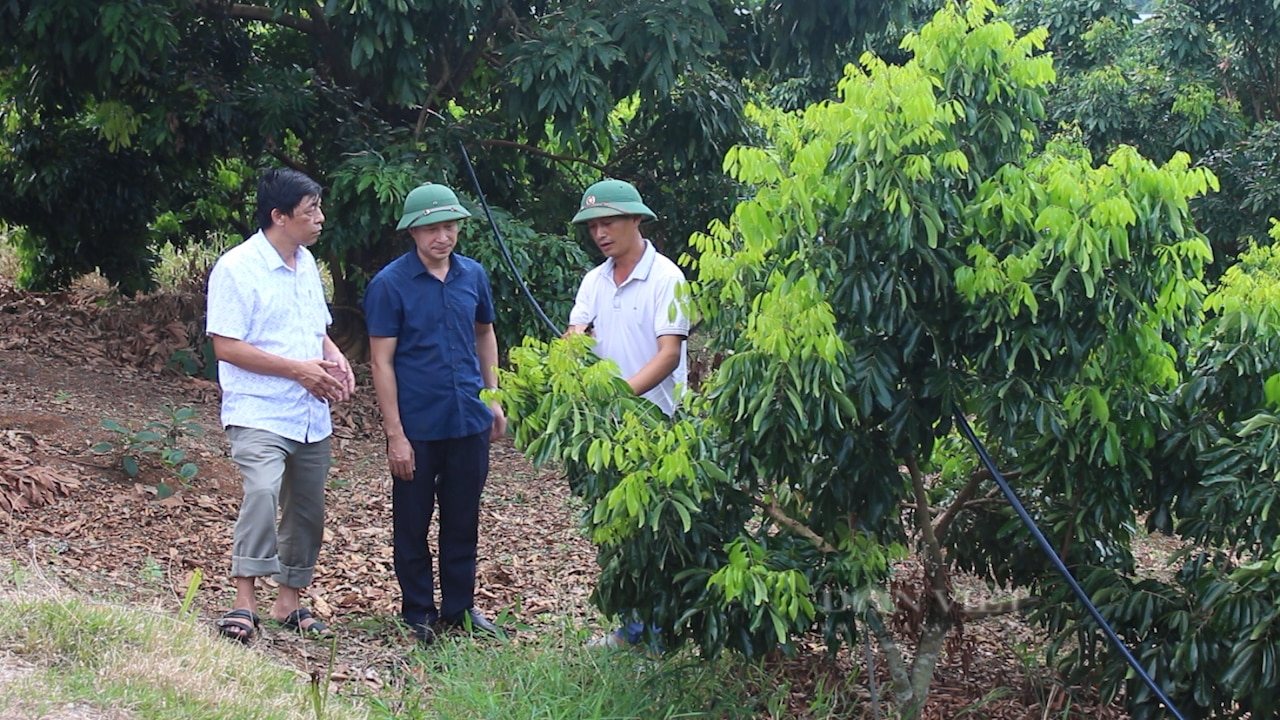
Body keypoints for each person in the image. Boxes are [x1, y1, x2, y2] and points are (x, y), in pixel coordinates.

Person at [206, 168, 355, 643]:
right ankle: (243, 601)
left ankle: (288, 601)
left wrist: (334, 358)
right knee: (262, 492)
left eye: (318, 209)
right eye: (311, 211)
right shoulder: (235, 268)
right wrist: (298, 370)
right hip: (258, 410)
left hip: (310, 414)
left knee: (308, 508)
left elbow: (317, 328)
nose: (320, 219)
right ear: (278, 216)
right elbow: (226, 347)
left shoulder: (307, 262)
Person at [363, 182, 508, 645]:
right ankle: (418, 611)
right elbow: (381, 361)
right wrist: (395, 435)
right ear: (413, 232)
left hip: (468, 416)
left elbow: (485, 334)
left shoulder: (473, 276)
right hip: (418, 424)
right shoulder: (390, 285)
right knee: (412, 520)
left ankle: (459, 608)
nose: (441, 237)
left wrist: (493, 397)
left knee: (463, 518)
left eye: (449, 227)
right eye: (431, 229)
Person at [564, 179, 690, 648]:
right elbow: (577, 334)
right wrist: (570, 349)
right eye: (593, 225)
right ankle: (630, 629)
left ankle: (661, 634)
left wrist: (620, 396)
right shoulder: (594, 281)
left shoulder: (666, 278)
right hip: (602, 430)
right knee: (613, 530)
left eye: (609, 221)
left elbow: (668, 355)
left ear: (637, 220)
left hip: (656, 425)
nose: (600, 232)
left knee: (654, 531)